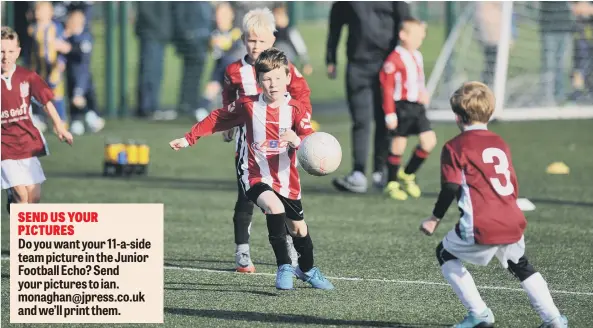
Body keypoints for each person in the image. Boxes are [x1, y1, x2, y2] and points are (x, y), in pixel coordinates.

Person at [169, 48, 334, 291]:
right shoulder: (248, 106)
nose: (273, 84)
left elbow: (310, 143)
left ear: (288, 79)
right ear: (258, 81)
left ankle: (307, 269)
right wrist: (188, 138)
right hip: (254, 174)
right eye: (267, 79)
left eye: (278, 78)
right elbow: (217, 117)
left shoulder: (296, 110)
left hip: (287, 179)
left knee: (299, 229)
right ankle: (284, 266)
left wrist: (297, 141)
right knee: (273, 207)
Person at [419, 81, 568, 328]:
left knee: (445, 253)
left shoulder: (455, 147)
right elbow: (512, 183)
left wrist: (434, 218)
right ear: (490, 112)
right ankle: (554, 319)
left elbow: (451, 187)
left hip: (482, 223)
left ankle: (479, 313)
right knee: (520, 265)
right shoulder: (500, 142)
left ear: (457, 117)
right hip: (512, 218)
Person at [219, 8, 313, 274]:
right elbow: (228, 97)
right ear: (243, 40)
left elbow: (302, 96)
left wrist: (301, 125)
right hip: (248, 146)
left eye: (261, 41)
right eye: (251, 40)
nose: (256, 45)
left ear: (272, 39)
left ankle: (291, 250)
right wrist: (227, 124)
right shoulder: (234, 70)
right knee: (246, 196)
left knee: (282, 198)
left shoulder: (286, 69)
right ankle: (242, 251)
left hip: (280, 147)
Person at [326, 1, 412, 193]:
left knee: (385, 120)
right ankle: (359, 173)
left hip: (388, 66)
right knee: (361, 120)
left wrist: (406, 60)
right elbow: (336, 23)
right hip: (358, 66)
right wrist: (330, 57)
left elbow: (405, 24)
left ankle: (380, 172)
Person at [1, 26, 74, 212]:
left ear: (17, 52)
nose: (5, 56)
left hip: (27, 143)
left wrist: (60, 126)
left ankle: (15, 206)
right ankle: (21, 238)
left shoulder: (28, 77)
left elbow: (46, 101)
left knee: (34, 197)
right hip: (4, 146)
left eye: (10, 51)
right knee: (22, 196)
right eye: (1, 51)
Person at [379, 18, 436, 201]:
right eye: (417, 36)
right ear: (403, 35)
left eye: (422, 36)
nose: (421, 39)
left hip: (417, 107)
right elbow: (386, 88)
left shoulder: (417, 55)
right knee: (399, 144)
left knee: (429, 141)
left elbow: (418, 80)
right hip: (401, 106)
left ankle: (408, 174)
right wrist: (389, 113)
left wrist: (423, 92)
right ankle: (392, 183)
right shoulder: (394, 59)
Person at [194, 2, 246, 122]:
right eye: (219, 13)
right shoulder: (213, 32)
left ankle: (203, 106)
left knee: (227, 64)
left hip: (239, 69)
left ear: (232, 15)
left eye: (225, 13)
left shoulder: (237, 32)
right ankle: (203, 107)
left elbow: (237, 49)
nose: (221, 17)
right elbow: (213, 49)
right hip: (222, 69)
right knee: (222, 68)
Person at [28, 1, 70, 127]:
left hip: (53, 67)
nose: (38, 13)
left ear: (50, 13)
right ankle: (41, 118)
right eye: (37, 10)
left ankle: (61, 120)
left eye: (41, 10)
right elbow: (31, 50)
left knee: (56, 93)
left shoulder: (55, 27)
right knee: (38, 93)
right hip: (38, 68)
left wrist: (61, 60)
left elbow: (63, 45)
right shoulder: (33, 28)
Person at [62, 10, 105, 135]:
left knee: (82, 97)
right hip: (71, 76)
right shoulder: (67, 36)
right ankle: (76, 120)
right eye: (71, 21)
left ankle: (91, 116)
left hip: (83, 77)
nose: (72, 24)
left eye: (76, 22)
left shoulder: (85, 37)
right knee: (72, 98)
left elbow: (82, 54)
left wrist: (67, 47)